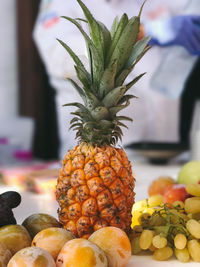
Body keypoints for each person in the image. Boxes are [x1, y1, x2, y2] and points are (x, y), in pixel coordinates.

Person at [33, 0, 200, 158]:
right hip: (97, 159)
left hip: (168, 151)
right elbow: (61, 56)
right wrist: (145, 32)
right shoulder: (61, 3)